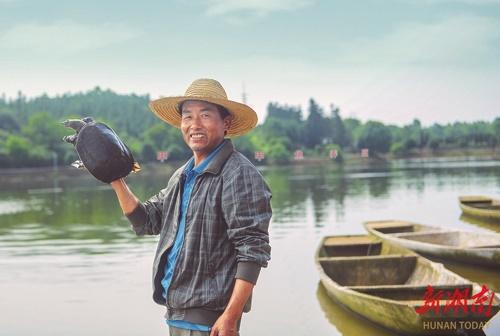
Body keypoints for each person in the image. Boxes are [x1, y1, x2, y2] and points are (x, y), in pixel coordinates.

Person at [110, 78, 272, 336]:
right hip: (176, 315)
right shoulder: (182, 176)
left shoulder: (238, 174)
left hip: (213, 322)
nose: (194, 125)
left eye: (205, 115)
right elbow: (146, 221)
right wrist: (115, 178)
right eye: (188, 117)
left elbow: (252, 250)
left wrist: (230, 316)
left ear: (226, 123)